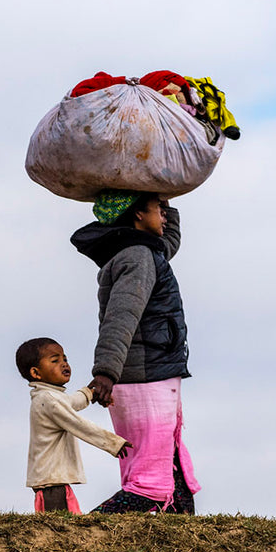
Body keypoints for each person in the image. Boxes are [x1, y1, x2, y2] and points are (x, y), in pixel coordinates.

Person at [70, 191, 201, 514]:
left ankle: (185, 551)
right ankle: (79, 535)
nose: (164, 215)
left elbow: (167, 242)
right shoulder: (138, 257)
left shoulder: (142, 253)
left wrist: (164, 197)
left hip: (152, 374)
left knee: (173, 480)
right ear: (138, 215)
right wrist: (105, 372)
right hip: (143, 379)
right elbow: (121, 316)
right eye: (158, 209)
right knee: (150, 486)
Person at [16, 336, 131, 512]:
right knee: (58, 527)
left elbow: (72, 402)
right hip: (52, 482)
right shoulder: (49, 400)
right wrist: (113, 443)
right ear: (36, 373)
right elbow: (78, 424)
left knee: (65, 520)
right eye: (55, 360)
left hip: (54, 480)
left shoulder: (50, 397)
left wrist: (91, 392)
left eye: (65, 359)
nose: (63, 364)